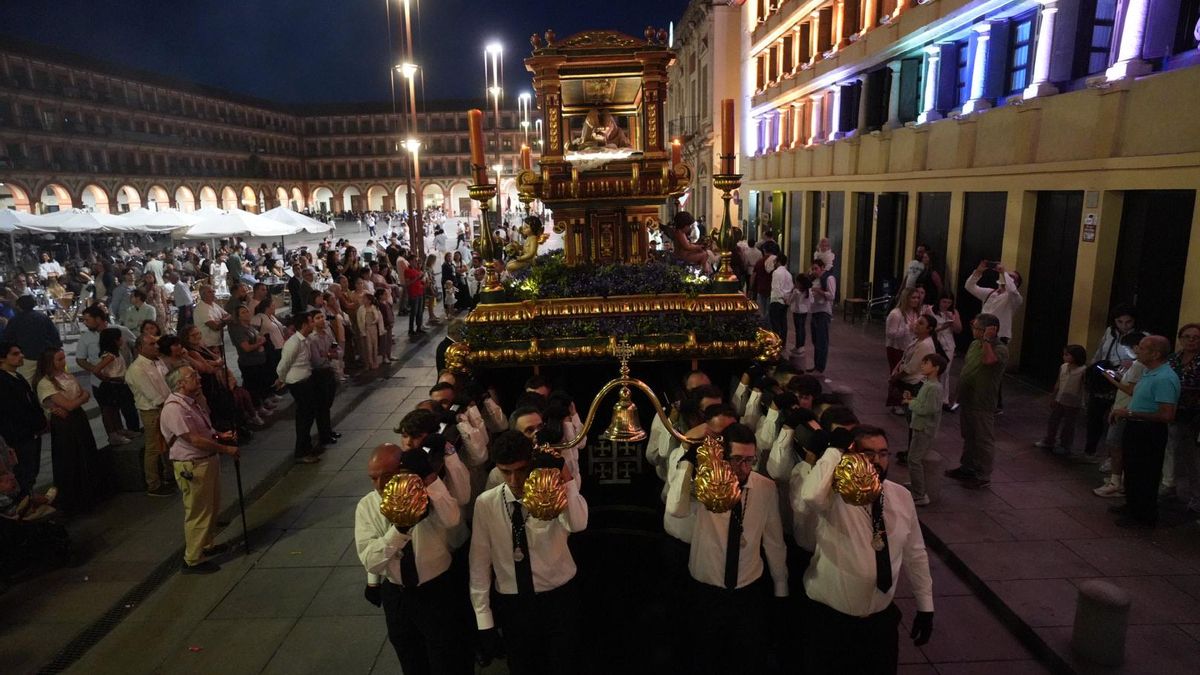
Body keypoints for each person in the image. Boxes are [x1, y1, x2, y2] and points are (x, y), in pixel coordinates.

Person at [801, 425, 934, 674]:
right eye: (868, 454)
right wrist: (835, 450)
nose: (877, 461)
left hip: (880, 623)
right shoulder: (835, 496)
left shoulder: (901, 496)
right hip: (832, 623)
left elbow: (915, 553)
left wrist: (925, 605)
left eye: (883, 453)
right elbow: (810, 496)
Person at [670, 423, 787, 675]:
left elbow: (774, 540)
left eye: (749, 460)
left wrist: (781, 585)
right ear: (723, 457)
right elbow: (676, 510)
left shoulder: (765, 488)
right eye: (736, 460)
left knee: (747, 659)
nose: (743, 468)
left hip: (748, 588)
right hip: (706, 587)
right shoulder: (705, 485)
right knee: (705, 658)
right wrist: (688, 460)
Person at [470, 430, 587, 675]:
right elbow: (479, 563)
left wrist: (565, 477)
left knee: (564, 664)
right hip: (513, 603)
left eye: (521, 470)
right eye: (506, 472)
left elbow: (578, 524)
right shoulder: (486, 503)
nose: (514, 480)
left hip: (558, 597)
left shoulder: (552, 494)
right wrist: (484, 620)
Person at [355, 442, 472, 675]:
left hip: (437, 591)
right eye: (374, 478)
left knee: (448, 659)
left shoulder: (427, 493)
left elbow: (452, 519)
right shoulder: (367, 506)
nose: (380, 485)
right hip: (398, 595)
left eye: (387, 476)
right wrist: (399, 531)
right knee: (410, 658)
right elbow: (371, 561)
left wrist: (429, 480)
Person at [160, 366, 240, 574]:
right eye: (192, 376)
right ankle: (192, 559)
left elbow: (203, 430)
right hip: (193, 465)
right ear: (180, 383)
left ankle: (206, 544)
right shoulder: (174, 408)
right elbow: (193, 439)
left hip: (206, 461)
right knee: (198, 512)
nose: (198, 378)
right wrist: (226, 449)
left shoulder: (192, 401)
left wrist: (220, 436)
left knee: (211, 507)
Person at [1110, 335, 1180, 528]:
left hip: (1149, 431)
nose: (1137, 351)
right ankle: (1132, 505)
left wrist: (1129, 412)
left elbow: (1167, 415)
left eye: (1141, 348)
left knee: (1145, 472)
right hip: (1136, 427)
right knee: (1133, 469)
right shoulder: (1150, 372)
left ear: (1155, 354)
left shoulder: (1165, 378)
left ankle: (1143, 515)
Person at [33, 348, 106, 514]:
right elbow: (69, 405)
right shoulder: (45, 383)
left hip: (78, 418)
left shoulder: (67, 375)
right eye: (59, 359)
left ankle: (91, 492)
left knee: (86, 452)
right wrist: (81, 398)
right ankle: (74, 499)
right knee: (70, 457)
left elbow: (83, 394)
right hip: (64, 424)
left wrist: (80, 398)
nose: (63, 362)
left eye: (63, 358)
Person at [944, 313, 1008, 489]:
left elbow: (988, 361)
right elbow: (968, 368)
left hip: (982, 401)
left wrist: (987, 340)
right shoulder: (974, 344)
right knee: (969, 435)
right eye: (974, 327)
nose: (974, 330)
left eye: (978, 328)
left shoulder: (1000, 349)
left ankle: (983, 475)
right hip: (967, 398)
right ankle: (967, 467)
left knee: (983, 439)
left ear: (990, 330)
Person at [1093, 332, 1148, 498]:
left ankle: (1116, 483)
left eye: (1127, 348)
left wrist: (1110, 378)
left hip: (1125, 409)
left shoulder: (1138, 365)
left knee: (1115, 445)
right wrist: (1117, 376)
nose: (1126, 351)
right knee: (1117, 445)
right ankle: (1119, 480)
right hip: (1122, 407)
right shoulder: (1137, 364)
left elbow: (1130, 390)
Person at [77, 306, 140, 445]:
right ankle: (113, 434)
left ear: (98, 319)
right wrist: (100, 374)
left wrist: (135, 366)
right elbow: (81, 359)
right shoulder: (86, 337)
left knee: (128, 408)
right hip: (102, 383)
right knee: (108, 410)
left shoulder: (119, 330)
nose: (85, 323)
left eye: (87, 320)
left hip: (123, 380)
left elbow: (136, 345)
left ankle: (127, 430)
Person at [1084, 305, 1138, 458]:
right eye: (1119, 322)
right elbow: (1100, 350)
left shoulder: (1140, 336)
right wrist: (1092, 368)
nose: (1124, 326)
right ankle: (1090, 451)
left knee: (1116, 417)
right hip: (1104, 373)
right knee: (1094, 414)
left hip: (1123, 377)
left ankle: (1112, 456)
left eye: (1128, 322)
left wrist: (1133, 363)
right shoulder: (1110, 331)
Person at [0, 342, 51, 498]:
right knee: (23, 473)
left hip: (31, 433)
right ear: (2, 358)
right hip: (19, 436)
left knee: (31, 470)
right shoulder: (3, 381)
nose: (21, 356)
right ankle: (25, 502)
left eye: (20, 352)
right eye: (15, 354)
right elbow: (15, 410)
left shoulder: (17, 376)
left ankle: (29, 499)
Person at [127, 335, 176, 496]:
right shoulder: (137, 369)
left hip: (166, 406)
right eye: (151, 344)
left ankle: (170, 474)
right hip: (152, 411)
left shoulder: (157, 361)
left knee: (168, 444)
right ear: (140, 348)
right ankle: (153, 484)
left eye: (156, 343)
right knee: (153, 448)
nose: (156, 346)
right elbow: (153, 395)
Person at [1164, 323, 1200, 514]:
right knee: (1171, 450)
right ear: (1180, 338)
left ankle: (1196, 496)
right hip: (1171, 410)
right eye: (1187, 336)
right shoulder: (1173, 358)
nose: (1191, 340)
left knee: (1191, 457)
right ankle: (1170, 486)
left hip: (1193, 414)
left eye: (1196, 337)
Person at [276, 311, 321, 464]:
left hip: (306, 381)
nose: (313, 324)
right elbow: (283, 364)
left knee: (309, 415)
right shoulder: (293, 343)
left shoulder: (305, 340)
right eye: (311, 322)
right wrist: (281, 379)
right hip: (298, 384)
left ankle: (307, 446)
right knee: (304, 418)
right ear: (304, 325)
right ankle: (301, 452)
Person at [903, 354, 948, 506]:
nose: (922, 365)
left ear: (936, 368)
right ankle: (917, 484)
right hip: (919, 426)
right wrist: (913, 399)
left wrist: (911, 403)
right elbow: (923, 403)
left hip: (924, 429)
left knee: (914, 459)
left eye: (926, 363)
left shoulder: (934, 387)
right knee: (914, 457)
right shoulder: (928, 384)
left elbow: (928, 409)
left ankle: (920, 494)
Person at [1036, 345, 1089, 456]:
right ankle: (1049, 440)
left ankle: (1065, 445)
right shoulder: (1063, 367)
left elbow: (1084, 388)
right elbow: (1058, 382)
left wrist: (1084, 403)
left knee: (1068, 425)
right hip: (1060, 399)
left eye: (1067, 355)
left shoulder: (1083, 370)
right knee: (1053, 420)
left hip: (1073, 401)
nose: (1064, 357)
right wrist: (1054, 396)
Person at [93, 327, 139, 448]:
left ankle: (119, 429)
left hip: (119, 385)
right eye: (119, 338)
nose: (122, 340)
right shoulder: (109, 356)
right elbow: (96, 370)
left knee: (116, 409)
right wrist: (107, 379)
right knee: (110, 411)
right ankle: (113, 434)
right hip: (111, 386)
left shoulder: (116, 354)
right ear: (114, 341)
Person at [3, 295, 62, 382]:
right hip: (45, 354)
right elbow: (54, 335)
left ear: (18, 306)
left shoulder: (15, 320)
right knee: (49, 381)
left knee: (27, 381)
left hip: (26, 356)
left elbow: (8, 338)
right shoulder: (43, 317)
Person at [964, 260, 1023, 343]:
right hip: (981, 333)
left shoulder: (1015, 298)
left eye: (1011, 277)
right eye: (1008, 275)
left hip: (999, 336)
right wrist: (978, 271)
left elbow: (1012, 291)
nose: (1007, 276)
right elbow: (969, 286)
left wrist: (1004, 272)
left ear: (1015, 283)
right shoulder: (990, 292)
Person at [888, 314, 936, 416]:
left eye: (921, 323)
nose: (916, 324)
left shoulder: (925, 345)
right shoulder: (917, 339)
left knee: (911, 415)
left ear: (929, 329)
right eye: (917, 321)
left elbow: (911, 368)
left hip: (915, 382)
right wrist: (895, 370)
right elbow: (904, 358)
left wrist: (896, 377)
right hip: (908, 379)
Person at [934, 293, 962, 411]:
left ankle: (944, 400)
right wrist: (942, 327)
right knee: (934, 371)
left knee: (945, 372)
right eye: (944, 302)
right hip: (935, 343)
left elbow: (958, 330)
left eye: (949, 302)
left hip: (948, 345)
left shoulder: (953, 312)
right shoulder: (931, 310)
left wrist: (953, 320)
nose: (946, 305)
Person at [809, 259, 836, 376]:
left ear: (822, 268)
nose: (814, 271)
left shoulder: (828, 278)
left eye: (816, 268)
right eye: (813, 269)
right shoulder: (814, 279)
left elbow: (831, 295)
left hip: (823, 312)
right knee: (815, 340)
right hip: (814, 311)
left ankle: (820, 368)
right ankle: (816, 365)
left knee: (821, 341)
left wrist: (819, 291)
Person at [768, 253, 793, 347]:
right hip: (785, 301)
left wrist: (782, 296)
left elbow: (776, 288)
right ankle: (783, 342)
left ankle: (776, 343)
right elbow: (791, 287)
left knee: (775, 324)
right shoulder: (788, 274)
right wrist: (787, 298)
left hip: (776, 300)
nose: (774, 263)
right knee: (783, 323)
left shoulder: (776, 273)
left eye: (775, 261)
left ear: (778, 262)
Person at [194, 286, 229, 351]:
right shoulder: (202, 308)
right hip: (208, 344)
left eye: (213, 291)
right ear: (203, 295)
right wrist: (225, 320)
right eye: (210, 292)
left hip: (217, 341)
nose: (213, 293)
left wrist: (222, 320)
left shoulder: (213, 304)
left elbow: (227, 315)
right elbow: (215, 326)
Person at [405, 254, 426, 335]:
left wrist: (422, 279)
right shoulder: (407, 270)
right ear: (410, 261)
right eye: (415, 261)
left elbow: (419, 280)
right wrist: (417, 278)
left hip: (420, 291)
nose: (416, 262)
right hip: (413, 293)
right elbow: (407, 283)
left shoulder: (417, 270)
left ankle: (419, 327)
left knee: (420, 312)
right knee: (414, 312)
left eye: (416, 261)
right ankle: (411, 329)